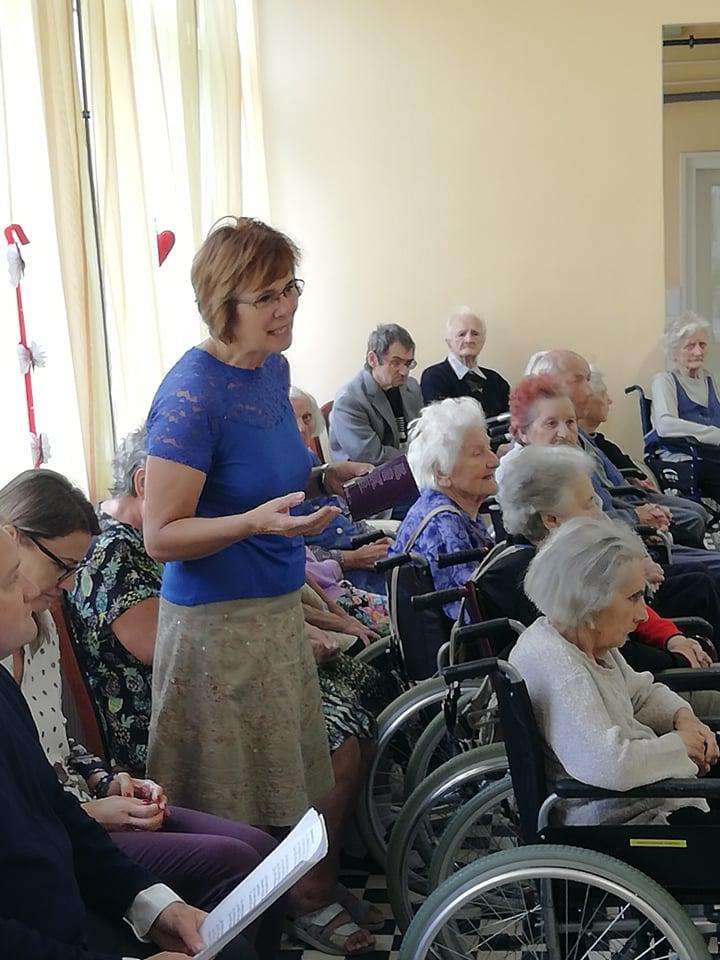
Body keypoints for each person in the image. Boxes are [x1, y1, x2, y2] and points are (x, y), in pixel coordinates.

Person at [143, 216, 377, 955]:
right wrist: (251, 524)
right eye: (266, 296)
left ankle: (289, 907)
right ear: (223, 305)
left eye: (290, 288)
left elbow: (266, 479)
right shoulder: (190, 394)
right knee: (230, 805)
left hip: (275, 614)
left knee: (283, 787)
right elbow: (160, 535)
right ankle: (234, 935)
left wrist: (322, 476)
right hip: (215, 630)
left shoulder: (272, 371)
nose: (286, 308)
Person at [0, 468, 283, 958]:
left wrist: (157, 908)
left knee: (231, 928)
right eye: (9, 582)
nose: (30, 593)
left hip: (60, 908)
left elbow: (56, 808)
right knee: (236, 869)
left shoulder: (5, 684)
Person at [510, 516, 719, 826]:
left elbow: (641, 694)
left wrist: (683, 718)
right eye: (633, 598)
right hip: (626, 820)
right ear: (589, 600)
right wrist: (682, 746)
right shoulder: (560, 667)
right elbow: (611, 765)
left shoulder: (583, 638)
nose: (643, 615)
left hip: (650, 794)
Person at [491, 444, 720, 678]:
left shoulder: (572, 555)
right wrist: (679, 658)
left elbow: (631, 608)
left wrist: (673, 638)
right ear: (551, 519)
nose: (600, 514)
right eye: (589, 503)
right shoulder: (538, 577)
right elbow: (611, 654)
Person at [525, 349, 709, 548]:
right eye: (579, 380)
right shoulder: (550, 458)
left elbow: (609, 492)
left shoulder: (581, 437)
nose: (589, 391)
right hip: (608, 538)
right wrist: (636, 516)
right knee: (693, 527)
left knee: (694, 520)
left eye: (569, 422)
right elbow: (594, 515)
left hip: (624, 513)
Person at [389, 397, 498, 622]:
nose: (494, 460)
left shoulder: (451, 507)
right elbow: (471, 615)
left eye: (489, 449)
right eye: (477, 453)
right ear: (442, 473)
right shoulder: (443, 524)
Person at [290, 386, 391, 593]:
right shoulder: (268, 480)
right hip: (333, 575)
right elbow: (296, 554)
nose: (301, 428)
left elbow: (340, 512)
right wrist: (352, 558)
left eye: (307, 418)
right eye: (291, 420)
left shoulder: (308, 458)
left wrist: (373, 537)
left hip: (360, 546)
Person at [329, 323, 423, 466]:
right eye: (395, 363)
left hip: (409, 465)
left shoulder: (412, 387)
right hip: (366, 474)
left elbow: (423, 434)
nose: (404, 371)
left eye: (408, 363)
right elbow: (372, 456)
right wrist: (419, 458)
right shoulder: (349, 401)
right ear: (372, 359)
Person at [651, 311, 720, 491]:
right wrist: (714, 435)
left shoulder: (710, 379)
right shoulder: (664, 381)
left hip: (714, 457)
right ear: (673, 351)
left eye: (702, 345)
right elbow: (665, 425)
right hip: (686, 460)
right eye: (690, 346)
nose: (698, 352)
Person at [420, 306, 510, 417]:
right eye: (461, 334)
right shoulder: (434, 377)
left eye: (475, 334)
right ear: (449, 342)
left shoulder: (496, 381)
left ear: (483, 341)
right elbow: (440, 423)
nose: (469, 339)